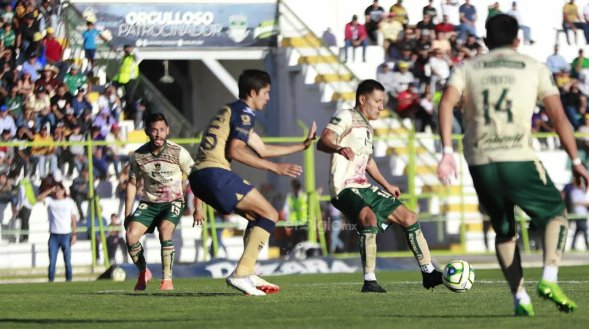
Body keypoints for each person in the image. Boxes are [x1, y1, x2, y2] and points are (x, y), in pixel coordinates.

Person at [437, 14, 588, 316]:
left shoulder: (467, 67)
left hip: (479, 160)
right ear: (518, 40)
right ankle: (549, 279)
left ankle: (520, 298)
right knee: (555, 214)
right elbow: (558, 118)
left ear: (485, 40)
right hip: (517, 157)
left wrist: (447, 151)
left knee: (504, 230)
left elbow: (445, 103)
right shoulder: (533, 67)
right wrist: (575, 159)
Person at [188, 69, 316, 296]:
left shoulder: (230, 110)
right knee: (270, 214)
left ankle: (247, 271)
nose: (267, 98)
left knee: (257, 216)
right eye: (266, 93)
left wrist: (302, 145)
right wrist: (275, 168)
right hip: (215, 173)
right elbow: (235, 150)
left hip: (200, 177)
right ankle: (241, 274)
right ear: (253, 92)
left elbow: (263, 150)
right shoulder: (245, 112)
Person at [317, 79, 443, 293]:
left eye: (383, 102)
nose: (381, 107)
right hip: (343, 187)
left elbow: (369, 162)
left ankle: (429, 272)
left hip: (363, 186)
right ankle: (369, 280)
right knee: (369, 219)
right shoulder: (346, 115)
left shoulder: (367, 126)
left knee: (409, 217)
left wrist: (386, 184)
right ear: (362, 99)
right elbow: (323, 141)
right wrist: (339, 148)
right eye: (378, 101)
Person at [125, 112, 202, 291]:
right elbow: (132, 183)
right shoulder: (138, 155)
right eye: (154, 130)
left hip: (173, 201)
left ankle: (167, 280)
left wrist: (198, 207)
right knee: (130, 236)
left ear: (167, 131)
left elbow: (196, 179)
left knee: (164, 232)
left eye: (161, 130)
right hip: (149, 203)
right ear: (147, 132)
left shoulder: (178, 152)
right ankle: (143, 272)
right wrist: (127, 213)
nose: (158, 134)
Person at [37, 183, 77, 282]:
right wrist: (50, 190)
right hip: (54, 235)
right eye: (56, 190)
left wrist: (74, 234)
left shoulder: (69, 202)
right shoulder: (51, 201)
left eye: (59, 190)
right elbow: (39, 198)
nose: (57, 192)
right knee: (52, 262)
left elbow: (73, 218)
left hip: (65, 234)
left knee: (67, 261)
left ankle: (69, 281)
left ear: (64, 191)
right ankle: (51, 281)